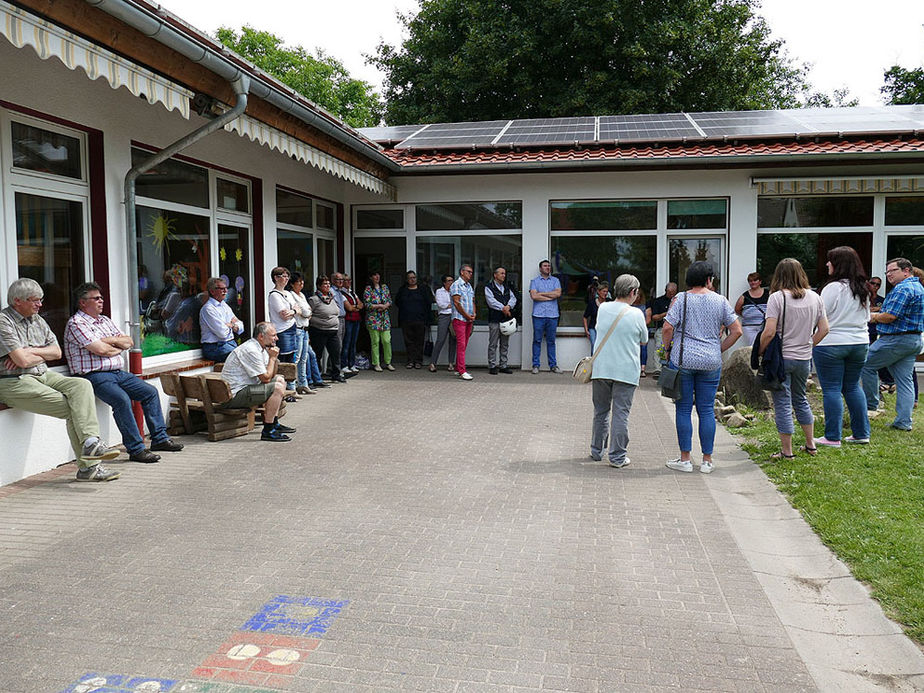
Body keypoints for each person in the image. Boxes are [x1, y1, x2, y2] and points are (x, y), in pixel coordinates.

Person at [0, 278, 120, 481]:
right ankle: (88, 467)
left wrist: (29, 351)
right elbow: (21, 360)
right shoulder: (4, 321)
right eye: (34, 300)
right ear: (17, 301)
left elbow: (56, 352)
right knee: (74, 409)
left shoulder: (37, 319)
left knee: (81, 384)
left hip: (43, 374)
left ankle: (90, 442)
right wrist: (26, 355)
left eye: (41, 299)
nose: (40, 304)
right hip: (14, 380)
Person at [64, 281, 184, 463]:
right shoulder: (76, 323)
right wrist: (114, 345)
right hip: (94, 375)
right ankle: (136, 449)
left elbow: (129, 342)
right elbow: (101, 350)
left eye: (101, 297)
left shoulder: (105, 320)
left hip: (117, 372)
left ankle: (159, 439)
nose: (101, 301)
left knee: (149, 392)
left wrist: (107, 341)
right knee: (121, 400)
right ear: (82, 302)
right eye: (96, 298)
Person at [662, 262, 742, 474]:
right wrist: (718, 347)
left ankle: (685, 459)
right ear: (709, 279)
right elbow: (737, 330)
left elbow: (668, 327)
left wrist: (667, 349)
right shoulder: (721, 301)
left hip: (684, 360)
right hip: (710, 362)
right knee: (706, 409)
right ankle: (707, 461)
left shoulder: (680, 299)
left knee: (684, 408)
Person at [759, 258, 828, 460]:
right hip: (804, 358)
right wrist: (808, 344)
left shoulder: (777, 298)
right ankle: (810, 444)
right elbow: (824, 329)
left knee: (782, 402)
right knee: (801, 399)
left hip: (782, 359)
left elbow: (769, 332)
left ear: (778, 276)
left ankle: (787, 451)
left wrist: (762, 351)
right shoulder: (816, 297)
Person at [811, 247, 871, 447]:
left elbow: (819, 315)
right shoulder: (864, 288)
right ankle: (861, 433)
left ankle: (832, 436)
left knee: (831, 389)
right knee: (853, 387)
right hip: (859, 342)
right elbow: (868, 317)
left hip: (832, 343)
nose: (827, 264)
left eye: (830, 261)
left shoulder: (833, 287)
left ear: (838, 264)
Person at [589, 274, 650, 468]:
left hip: (601, 368)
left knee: (601, 411)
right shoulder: (636, 314)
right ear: (633, 292)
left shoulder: (603, 308)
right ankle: (617, 457)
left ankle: (597, 451)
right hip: (626, 371)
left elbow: (600, 329)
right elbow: (644, 339)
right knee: (620, 414)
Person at [861, 257, 924, 431]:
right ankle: (904, 422)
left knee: (865, 364)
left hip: (896, 339)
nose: (888, 274)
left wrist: (870, 317)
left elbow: (890, 316)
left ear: (906, 271)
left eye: (892, 271)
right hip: (913, 340)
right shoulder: (918, 287)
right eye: (887, 272)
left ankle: (871, 405)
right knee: (905, 381)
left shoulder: (903, 288)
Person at [219, 322, 295, 442]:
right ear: (261, 336)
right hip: (234, 395)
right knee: (277, 388)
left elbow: (271, 375)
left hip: (245, 388)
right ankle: (268, 430)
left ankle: (274, 423)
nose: (277, 338)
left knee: (280, 380)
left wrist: (273, 360)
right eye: (273, 335)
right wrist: (273, 358)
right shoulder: (251, 350)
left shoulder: (262, 348)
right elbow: (265, 378)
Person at [286, 272, 320, 395]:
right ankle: (292, 386)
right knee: (297, 357)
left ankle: (303, 384)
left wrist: (306, 312)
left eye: (302, 281)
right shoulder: (291, 295)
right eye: (298, 282)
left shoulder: (302, 295)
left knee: (304, 358)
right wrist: (306, 312)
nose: (301, 284)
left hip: (305, 329)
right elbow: (304, 312)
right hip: (298, 329)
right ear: (292, 284)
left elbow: (308, 311)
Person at [307, 276, 346, 383]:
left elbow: (336, 312)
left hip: (333, 331)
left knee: (335, 353)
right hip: (319, 331)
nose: (328, 286)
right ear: (319, 286)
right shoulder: (313, 300)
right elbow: (309, 315)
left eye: (328, 283)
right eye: (325, 284)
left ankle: (336, 375)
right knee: (317, 354)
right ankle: (317, 376)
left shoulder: (332, 298)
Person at [394, 270, 434, 369]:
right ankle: (410, 361)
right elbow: (397, 302)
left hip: (420, 320)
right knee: (408, 342)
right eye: (410, 278)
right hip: (406, 320)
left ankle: (418, 361)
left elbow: (429, 302)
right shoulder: (403, 290)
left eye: (414, 277)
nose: (412, 280)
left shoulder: (423, 289)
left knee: (419, 342)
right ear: (407, 280)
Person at [199, 276, 244, 363]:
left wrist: (231, 325)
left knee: (251, 354)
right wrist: (232, 325)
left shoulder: (224, 305)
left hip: (229, 344)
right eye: (222, 289)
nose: (226, 291)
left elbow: (241, 326)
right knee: (244, 357)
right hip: (215, 347)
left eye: (226, 288)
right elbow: (222, 333)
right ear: (212, 291)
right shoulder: (208, 309)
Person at [529, 259, 562, 374]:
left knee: (551, 341)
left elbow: (558, 294)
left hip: (553, 315)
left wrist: (541, 294)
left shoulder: (556, 281)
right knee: (537, 340)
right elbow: (534, 296)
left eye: (549, 266)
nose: (548, 267)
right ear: (540, 269)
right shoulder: (534, 281)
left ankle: (553, 365)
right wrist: (550, 296)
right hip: (538, 315)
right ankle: (535, 365)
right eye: (545, 266)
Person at [485, 266, 517, 375]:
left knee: (504, 344)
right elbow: (491, 302)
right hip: (494, 319)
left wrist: (508, 306)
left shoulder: (507, 287)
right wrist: (503, 308)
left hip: (505, 320)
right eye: (501, 273)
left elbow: (513, 298)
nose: (504, 275)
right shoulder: (489, 287)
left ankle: (503, 365)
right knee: (493, 344)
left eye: (504, 273)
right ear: (495, 275)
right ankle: (492, 365)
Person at [267, 266, 297, 373]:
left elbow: (298, 309)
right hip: (283, 330)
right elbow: (283, 315)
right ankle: (283, 384)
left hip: (293, 328)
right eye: (284, 276)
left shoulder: (288, 293)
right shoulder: (274, 295)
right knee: (285, 358)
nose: (286, 279)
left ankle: (292, 385)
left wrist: (293, 311)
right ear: (276, 278)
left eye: (287, 276)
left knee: (293, 358)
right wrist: (294, 311)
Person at [363, 271, 394, 372]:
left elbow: (389, 300)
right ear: (371, 277)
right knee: (375, 341)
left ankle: (388, 362)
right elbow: (367, 304)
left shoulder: (384, 287)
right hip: (373, 319)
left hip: (384, 318)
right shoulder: (368, 289)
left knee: (386, 340)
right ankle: (376, 363)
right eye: (374, 275)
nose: (377, 277)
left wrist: (386, 306)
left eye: (378, 275)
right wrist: (379, 306)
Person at [450, 264, 476, 381]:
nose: (471, 274)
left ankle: (457, 367)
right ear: (462, 272)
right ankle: (462, 370)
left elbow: (473, 301)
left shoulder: (469, 286)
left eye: (471, 272)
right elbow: (456, 303)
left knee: (464, 345)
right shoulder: (456, 285)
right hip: (459, 319)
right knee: (461, 344)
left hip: (469, 319)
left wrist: (474, 314)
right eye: (468, 272)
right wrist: (466, 316)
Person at [646, 282, 678, 376]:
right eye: (669, 292)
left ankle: (674, 369)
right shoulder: (658, 301)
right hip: (662, 328)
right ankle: (658, 370)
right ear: (666, 290)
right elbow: (654, 317)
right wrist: (666, 314)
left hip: (676, 329)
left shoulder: (679, 301)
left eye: (673, 292)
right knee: (659, 348)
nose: (671, 294)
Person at [428, 274, 456, 373]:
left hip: (454, 317)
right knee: (440, 339)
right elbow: (441, 304)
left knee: (453, 340)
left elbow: (459, 303)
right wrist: (451, 305)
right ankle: (433, 363)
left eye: (452, 280)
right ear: (444, 282)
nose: (451, 282)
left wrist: (451, 305)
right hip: (444, 316)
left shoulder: (455, 291)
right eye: (449, 280)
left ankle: (451, 363)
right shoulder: (439, 291)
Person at [734, 272, 769, 347]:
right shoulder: (744, 296)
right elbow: (737, 309)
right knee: (752, 347)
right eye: (750, 281)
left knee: (764, 346)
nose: (752, 282)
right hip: (749, 327)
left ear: (760, 281)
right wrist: (748, 315)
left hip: (765, 326)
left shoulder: (768, 294)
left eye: (755, 280)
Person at [340, 274, 363, 374]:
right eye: (346, 280)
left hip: (356, 320)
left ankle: (352, 364)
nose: (349, 282)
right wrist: (355, 307)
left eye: (350, 280)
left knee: (353, 343)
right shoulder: (341, 293)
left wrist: (355, 306)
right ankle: (344, 365)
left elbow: (361, 305)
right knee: (347, 343)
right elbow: (349, 308)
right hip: (348, 320)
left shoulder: (352, 293)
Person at [583, 281, 609, 348]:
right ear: (598, 291)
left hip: (604, 329)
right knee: (594, 345)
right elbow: (585, 317)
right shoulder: (592, 303)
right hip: (593, 328)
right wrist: (586, 330)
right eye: (604, 291)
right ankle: (593, 358)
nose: (605, 293)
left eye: (606, 291)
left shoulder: (609, 303)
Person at [631, 288, 650, 377]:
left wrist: (640, 326)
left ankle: (642, 369)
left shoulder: (645, 307)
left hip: (642, 331)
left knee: (643, 349)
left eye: (639, 295)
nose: (637, 297)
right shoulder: (628, 306)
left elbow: (648, 320)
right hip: (631, 331)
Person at [330, 272, 347, 347]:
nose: (341, 281)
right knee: (337, 344)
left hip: (342, 319)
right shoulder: (331, 291)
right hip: (336, 319)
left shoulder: (340, 291)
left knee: (341, 342)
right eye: (338, 279)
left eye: (342, 279)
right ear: (333, 280)